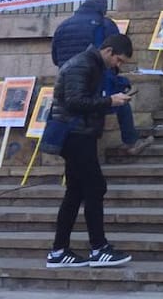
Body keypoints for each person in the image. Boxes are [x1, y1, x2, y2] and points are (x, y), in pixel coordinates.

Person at [45, 33, 135, 269]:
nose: (118, 65)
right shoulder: (82, 64)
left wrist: (111, 101)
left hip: (80, 134)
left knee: (76, 191)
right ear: (108, 52)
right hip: (74, 135)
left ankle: (59, 251)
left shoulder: (91, 64)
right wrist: (109, 102)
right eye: (119, 60)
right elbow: (75, 101)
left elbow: (82, 101)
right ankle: (98, 248)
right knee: (95, 187)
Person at [51, 0, 152, 156]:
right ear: (103, 7)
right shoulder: (104, 24)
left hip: (65, 85)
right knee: (120, 101)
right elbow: (113, 53)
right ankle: (131, 141)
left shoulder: (62, 26)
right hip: (93, 80)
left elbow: (55, 57)